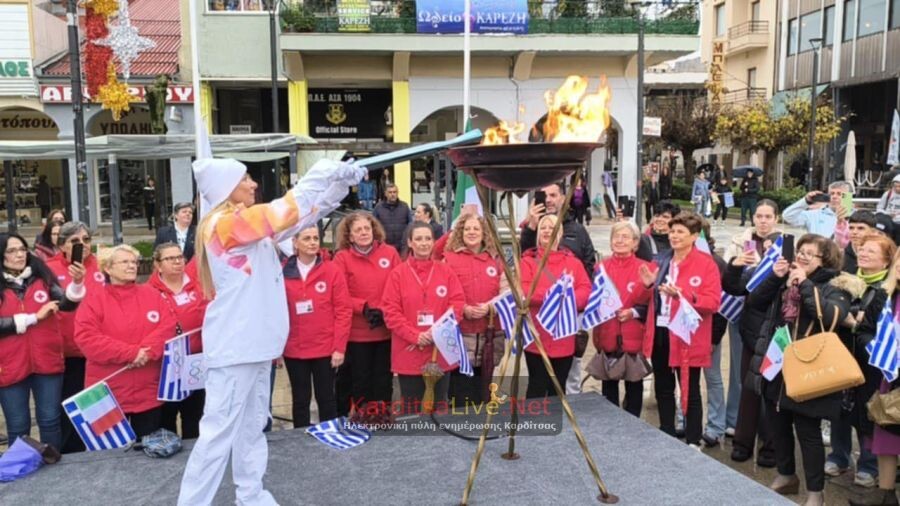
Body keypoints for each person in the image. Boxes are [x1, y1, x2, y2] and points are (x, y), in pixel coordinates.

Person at [177, 157, 364, 505]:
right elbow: (281, 212)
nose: (253, 185)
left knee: (251, 429)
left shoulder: (245, 228)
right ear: (225, 188)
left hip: (258, 346)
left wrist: (337, 187)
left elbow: (301, 217)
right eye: (245, 179)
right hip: (236, 348)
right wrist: (320, 171)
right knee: (217, 435)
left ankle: (250, 494)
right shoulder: (222, 226)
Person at [745, 234, 855, 505]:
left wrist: (804, 284)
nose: (802, 256)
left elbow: (829, 316)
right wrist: (775, 276)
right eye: (801, 251)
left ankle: (816, 492)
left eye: (810, 253)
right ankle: (786, 475)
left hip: (810, 369)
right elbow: (754, 302)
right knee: (777, 425)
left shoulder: (836, 284)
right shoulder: (785, 279)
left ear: (825, 259)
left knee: (808, 433)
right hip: (778, 366)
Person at [637, 211, 721, 448]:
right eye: (672, 231)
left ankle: (693, 438)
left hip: (687, 334)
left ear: (694, 236)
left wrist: (684, 295)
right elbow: (646, 296)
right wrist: (648, 286)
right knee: (664, 386)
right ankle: (666, 431)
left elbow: (713, 302)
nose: (674, 236)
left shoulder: (706, 264)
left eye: (680, 232)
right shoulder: (661, 260)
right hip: (661, 330)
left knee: (690, 388)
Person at [74, 244, 171, 439]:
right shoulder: (94, 298)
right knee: (110, 459)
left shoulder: (151, 294)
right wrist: (131, 353)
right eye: (125, 262)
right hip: (106, 397)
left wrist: (146, 351)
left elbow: (168, 326)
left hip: (148, 392)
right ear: (108, 268)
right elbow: (87, 338)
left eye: (134, 262)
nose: (131, 266)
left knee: (149, 452)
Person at [0, 233, 84, 449]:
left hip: (47, 360)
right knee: (18, 425)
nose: (19, 254)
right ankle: (19, 473)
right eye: (11, 251)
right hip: (9, 364)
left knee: (49, 420)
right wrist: (34, 318)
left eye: (22, 249)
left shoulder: (41, 276)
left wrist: (76, 284)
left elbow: (66, 304)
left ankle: (53, 470)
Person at [827, 233, 895, 490]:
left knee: (869, 412)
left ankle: (868, 466)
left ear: (887, 260)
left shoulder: (888, 290)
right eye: (862, 249)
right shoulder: (845, 281)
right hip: (843, 353)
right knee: (839, 408)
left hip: (873, 362)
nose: (863, 253)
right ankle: (838, 456)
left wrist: (859, 325)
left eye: (871, 251)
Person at [722, 199, 782, 466]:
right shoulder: (743, 243)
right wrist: (735, 266)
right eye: (759, 215)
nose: (763, 220)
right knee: (747, 386)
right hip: (749, 327)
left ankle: (770, 446)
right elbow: (734, 288)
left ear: (776, 219)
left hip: (777, 329)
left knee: (771, 390)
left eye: (768, 216)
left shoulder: (787, 245)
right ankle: (743, 442)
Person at [521, 182, 596, 395]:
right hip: (537, 332)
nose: (547, 231)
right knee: (536, 386)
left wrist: (568, 298)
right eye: (543, 228)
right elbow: (524, 291)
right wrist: (553, 297)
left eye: (552, 228)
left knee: (558, 388)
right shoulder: (528, 261)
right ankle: (534, 427)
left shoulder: (572, 262)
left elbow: (585, 289)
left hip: (564, 334)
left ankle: (557, 426)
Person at [381, 222, 465, 408]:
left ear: (434, 242)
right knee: (412, 407)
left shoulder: (446, 271)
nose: (424, 243)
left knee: (440, 403)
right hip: (409, 350)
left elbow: (457, 304)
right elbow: (391, 312)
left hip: (439, 348)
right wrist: (416, 336)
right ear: (410, 243)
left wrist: (439, 331)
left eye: (428, 238)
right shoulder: (398, 274)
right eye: (418, 239)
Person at [45, 221, 106, 453]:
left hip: (98, 349)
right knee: (69, 405)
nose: (83, 245)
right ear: (62, 246)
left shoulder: (102, 266)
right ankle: (71, 454)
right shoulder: (48, 268)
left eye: (86, 240)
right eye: (75, 242)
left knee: (95, 405)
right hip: (67, 350)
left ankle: (97, 448)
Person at [332, 212, 401, 416]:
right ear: (350, 236)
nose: (363, 233)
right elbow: (340, 293)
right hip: (357, 332)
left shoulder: (390, 253)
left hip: (384, 329)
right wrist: (363, 307)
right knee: (359, 381)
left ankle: (381, 418)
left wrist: (385, 310)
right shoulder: (342, 258)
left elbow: (399, 286)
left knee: (383, 380)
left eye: (367, 228)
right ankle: (360, 421)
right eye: (358, 230)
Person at [282, 226, 351, 427]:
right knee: (300, 399)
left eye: (315, 238)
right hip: (294, 348)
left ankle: (329, 436)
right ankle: (300, 442)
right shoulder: (283, 272)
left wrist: (339, 348)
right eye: (306, 238)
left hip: (325, 348)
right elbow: (276, 312)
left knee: (326, 398)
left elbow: (343, 311)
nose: (312, 242)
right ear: (295, 243)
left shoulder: (331, 271)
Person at [853, 246, 900, 506]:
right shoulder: (887, 296)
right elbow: (865, 329)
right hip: (889, 375)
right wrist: (879, 350)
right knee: (887, 435)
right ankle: (885, 495)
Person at [442, 213, 505, 405]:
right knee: (460, 389)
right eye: (467, 228)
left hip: (489, 335)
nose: (471, 232)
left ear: (484, 232)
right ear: (460, 232)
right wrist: (464, 309)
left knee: (483, 388)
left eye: (476, 228)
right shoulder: (449, 259)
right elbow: (443, 294)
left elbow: (507, 290)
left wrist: (490, 306)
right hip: (461, 335)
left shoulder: (495, 260)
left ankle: (481, 429)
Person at [147, 242, 208, 440]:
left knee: (195, 414)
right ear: (158, 264)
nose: (177, 262)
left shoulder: (199, 285)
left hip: (195, 361)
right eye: (170, 258)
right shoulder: (149, 291)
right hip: (165, 366)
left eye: (180, 257)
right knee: (167, 416)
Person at [592, 222, 651, 416]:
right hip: (607, 332)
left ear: (635, 243)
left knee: (634, 386)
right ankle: (611, 427)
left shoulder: (646, 268)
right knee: (608, 387)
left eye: (625, 237)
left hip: (633, 333)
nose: (619, 240)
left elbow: (649, 305)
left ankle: (633, 428)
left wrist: (633, 311)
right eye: (616, 236)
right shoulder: (600, 267)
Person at [783, 181, 852, 246]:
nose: (834, 197)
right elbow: (787, 216)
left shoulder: (856, 216)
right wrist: (806, 201)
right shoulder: (814, 215)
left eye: (839, 194)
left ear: (848, 197)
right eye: (832, 193)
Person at [372, 183, 413, 252]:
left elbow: (410, 224)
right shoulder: (378, 208)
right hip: (384, 245)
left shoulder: (404, 206)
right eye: (390, 192)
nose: (392, 194)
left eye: (394, 192)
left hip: (402, 246)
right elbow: (373, 226)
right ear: (385, 194)